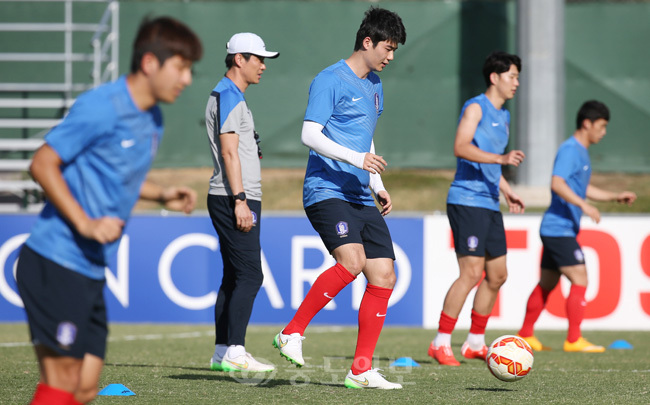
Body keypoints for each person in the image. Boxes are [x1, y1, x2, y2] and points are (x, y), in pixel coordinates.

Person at [15, 17, 202, 405]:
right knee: (63, 379)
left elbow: (120, 179)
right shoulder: (102, 106)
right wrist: (84, 222)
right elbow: (42, 164)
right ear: (150, 63)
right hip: (54, 261)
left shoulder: (153, 119)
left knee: (83, 387)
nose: (186, 79)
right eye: (181, 67)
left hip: (90, 269)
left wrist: (162, 193)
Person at [272, 7, 406, 390]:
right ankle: (291, 332)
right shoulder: (330, 79)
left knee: (384, 274)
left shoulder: (375, 83)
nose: (390, 57)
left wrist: (375, 182)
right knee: (353, 260)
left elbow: (364, 137)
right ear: (367, 42)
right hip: (326, 189)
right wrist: (357, 159)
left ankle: (360, 370)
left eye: (394, 50)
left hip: (360, 193)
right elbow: (310, 135)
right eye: (387, 48)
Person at [428, 51, 526, 366]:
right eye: (512, 76)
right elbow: (461, 146)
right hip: (466, 200)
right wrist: (501, 160)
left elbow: (492, 164)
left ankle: (474, 342)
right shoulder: (475, 107)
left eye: (518, 77)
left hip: (489, 201)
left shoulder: (505, 116)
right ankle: (441, 342)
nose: (517, 83)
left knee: (497, 275)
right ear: (495, 77)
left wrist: (507, 191)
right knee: (471, 273)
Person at [518, 100, 636, 353]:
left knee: (547, 283)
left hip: (558, 228)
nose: (604, 132)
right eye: (602, 126)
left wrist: (613, 196)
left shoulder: (581, 151)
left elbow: (582, 187)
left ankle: (526, 335)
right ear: (587, 123)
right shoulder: (571, 149)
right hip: (558, 228)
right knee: (580, 277)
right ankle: (573, 339)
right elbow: (557, 183)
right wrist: (584, 205)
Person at [205, 33, 279, 373]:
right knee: (251, 275)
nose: (263, 65)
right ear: (239, 59)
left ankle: (224, 350)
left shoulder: (231, 95)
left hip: (234, 195)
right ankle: (235, 350)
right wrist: (240, 200)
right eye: (258, 58)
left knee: (234, 276)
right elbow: (229, 151)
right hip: (233, 196)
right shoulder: (229, 95)